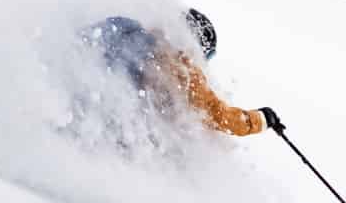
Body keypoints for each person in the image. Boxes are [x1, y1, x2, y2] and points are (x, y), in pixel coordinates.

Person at [85, 7, 281, 138]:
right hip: (113, 125)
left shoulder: (129, 27)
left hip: (88, 91)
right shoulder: (184, 69)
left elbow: (85, 39)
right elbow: (219, 115)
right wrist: (262, 119)